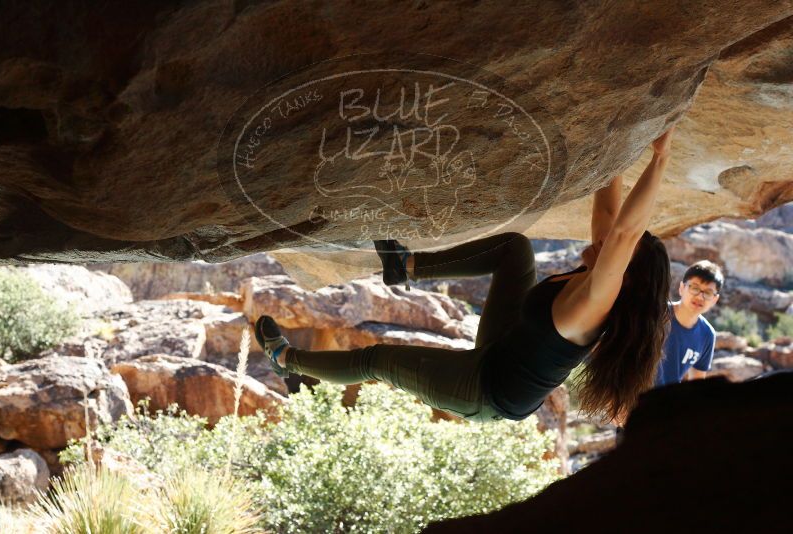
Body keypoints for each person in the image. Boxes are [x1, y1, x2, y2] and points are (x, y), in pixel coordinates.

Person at [255, 128, 676, 423]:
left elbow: (623, 232)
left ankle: (286, 361)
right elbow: (609, 215)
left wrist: (660, 157)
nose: (600, 242)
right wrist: (624, 135)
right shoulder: (598, 277)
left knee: (376, 360)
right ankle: (404, 267)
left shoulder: (592, 306)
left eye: (614, 253)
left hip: (486, 393)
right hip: (504, 350)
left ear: (622, 274)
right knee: (514, 250)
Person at [655, 261, 723, 386]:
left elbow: (696, 384)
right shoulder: (656, 314)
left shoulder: (707, 335)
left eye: (707, 292)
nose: (700, 297)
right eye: (695, 288)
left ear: (715, 299)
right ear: (682, 288)